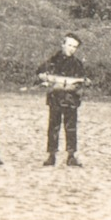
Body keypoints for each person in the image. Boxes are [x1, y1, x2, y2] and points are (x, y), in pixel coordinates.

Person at [36, 33, 88, 166]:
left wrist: (80, 85)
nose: (72, 49)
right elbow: (39, 72)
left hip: (71, 100)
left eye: (75, 47)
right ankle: (51, 155)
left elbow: (82, 82)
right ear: (63, 44)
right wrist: (46, 78)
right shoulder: (52, 61)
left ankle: (71, 155)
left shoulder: (77, 64)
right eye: (69, 45)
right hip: (55, 99)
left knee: (71, 128)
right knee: (53, 127)